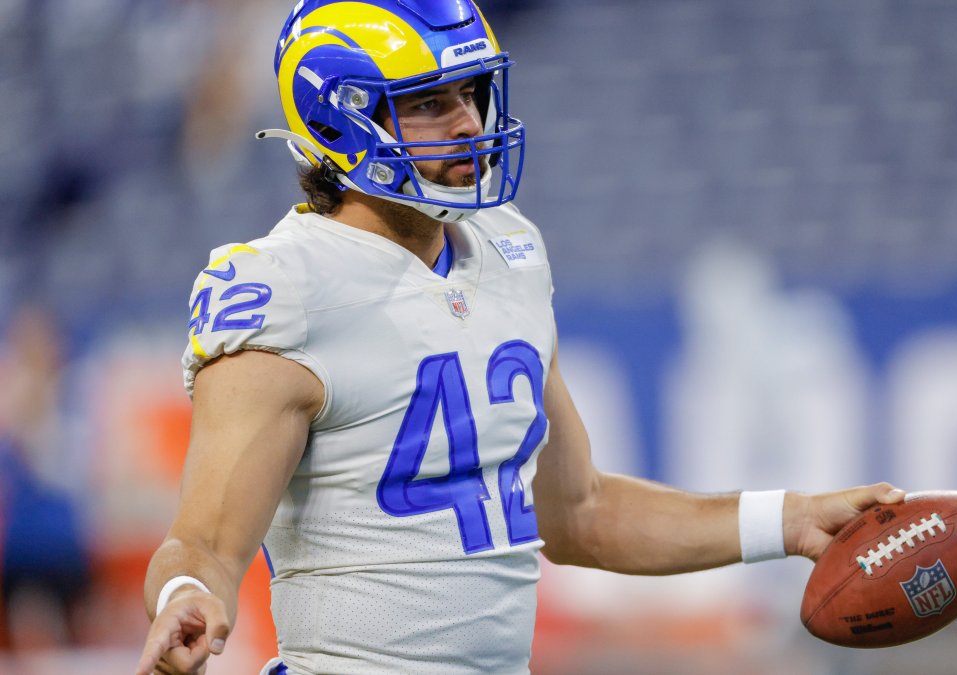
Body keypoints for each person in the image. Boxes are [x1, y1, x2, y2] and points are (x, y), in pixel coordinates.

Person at [135, 1, 904, 673]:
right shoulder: (287, 289)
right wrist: (187, 596)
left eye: (470, 92)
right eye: (431, 102)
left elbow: (580, 512)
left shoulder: (506, 248)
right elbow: (202, 541)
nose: (469, 121)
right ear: (345, 117)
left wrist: (789, 519)